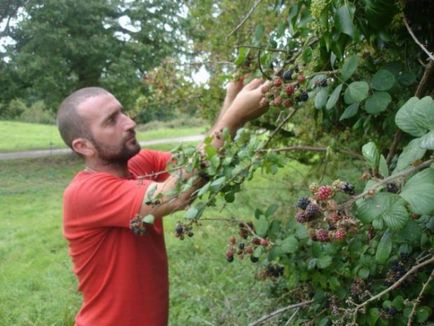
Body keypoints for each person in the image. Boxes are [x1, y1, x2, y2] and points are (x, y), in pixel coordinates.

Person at [57, 77, 269, 326]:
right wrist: (234, 117)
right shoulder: (85, 194)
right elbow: (176, 193)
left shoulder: (138, 164)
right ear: (83, 146)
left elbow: (200, 163)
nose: (129, 122)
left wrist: (231, 103)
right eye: (111, 120)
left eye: (122, 112)